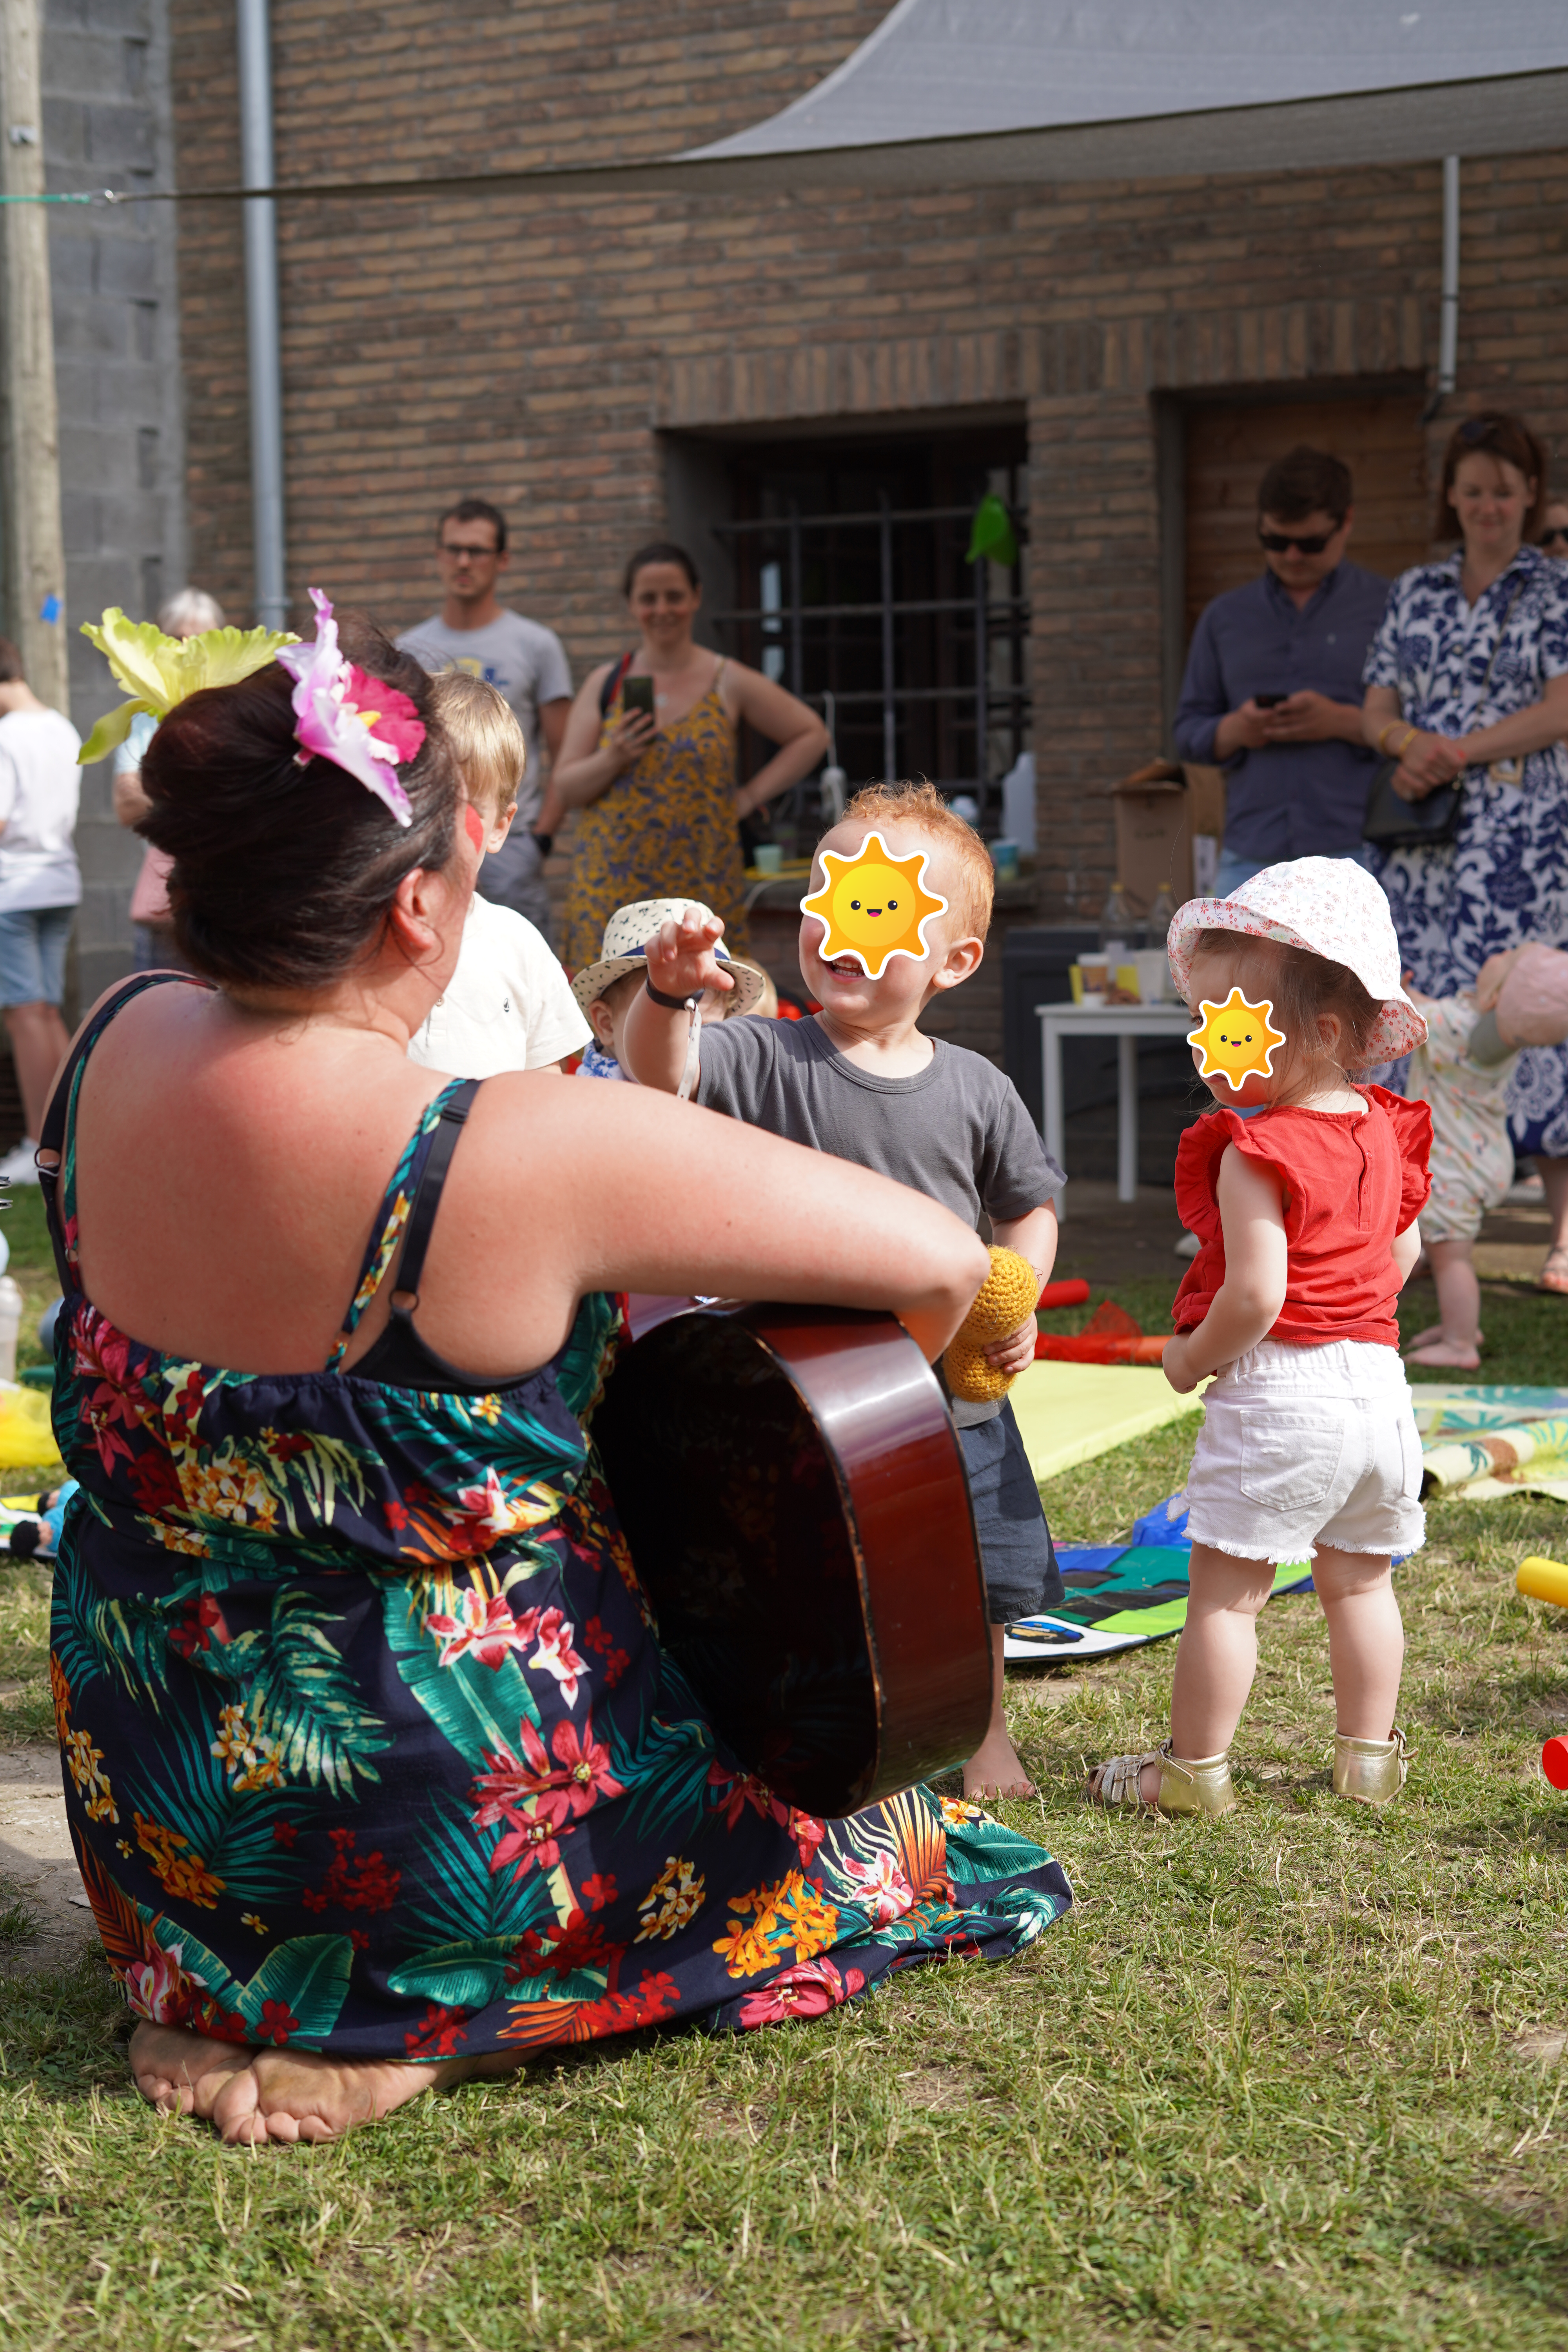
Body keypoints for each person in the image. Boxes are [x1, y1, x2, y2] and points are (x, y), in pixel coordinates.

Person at [46, 597, 1069, 2148]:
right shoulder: (499, 1149)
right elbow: (938, 1262)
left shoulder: (114, 1038)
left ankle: (212, 1973)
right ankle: (436, 2001)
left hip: (159, 1787)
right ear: (415, 913)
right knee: (894, 1846)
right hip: (430, 1820)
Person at [621, 781, 1067, 1802]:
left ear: (954, 959)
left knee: (969, 1585)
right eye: (830, 897)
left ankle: (983, 1736)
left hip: (948, 1397)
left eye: (881, 908)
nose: (841, 929)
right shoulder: (764, 1052)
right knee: (805, 1582)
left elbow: (1029, 1207)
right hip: (796, 1399)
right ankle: (796, 1738)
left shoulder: (977, 1089)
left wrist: (1020, 1297)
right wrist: (671, 997)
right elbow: (660, 1076)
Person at [1089, 860, 1431, 1817]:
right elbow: (1400, 1251)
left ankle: (1192, 1771)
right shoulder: (1383, 1133)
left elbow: (1255, 1292)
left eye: (1232, 1025)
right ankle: (1367, 1760)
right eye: (1206, 1023)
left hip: (1284, 1395)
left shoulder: (1257, 1149)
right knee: (1361, 1588)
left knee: (1226, 1597)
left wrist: (1192, 1357)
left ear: (1321, 1032)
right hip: (1380, 1395)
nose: (1209, 1046)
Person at [1361, 410, 1568, 1294]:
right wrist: (1406, 743)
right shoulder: (1411, 590)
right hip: (1422, 850)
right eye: (1473, 489)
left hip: (1524, 845)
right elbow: (1373, 709)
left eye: (1505, 491)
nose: (1488, 505)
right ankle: (1405, 1232)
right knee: (1412, 1021)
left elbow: (1564, 706)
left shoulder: (1555, 590)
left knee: (1533, 1017)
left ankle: (1562, 1235)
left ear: (1531, 498)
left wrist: (1458, 749)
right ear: (1452, 494)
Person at [553, 542, 828, 973]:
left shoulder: (727, 679)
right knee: (609, 1012)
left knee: (705, 1007)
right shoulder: (607, 682)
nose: (662, 609)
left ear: (696, 597)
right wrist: (615, 756)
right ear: (631, 605)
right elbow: (567, 787)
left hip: (702, 880)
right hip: (611, 885)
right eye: (648, 598)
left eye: (674, 596)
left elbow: (811, 734)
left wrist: (750, 795)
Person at [1174, 445, 1389, 895]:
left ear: (1345, 522)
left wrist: (1344, 722)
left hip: (1359, 851)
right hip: (1250, 855)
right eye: (1274, 541)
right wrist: (1234, 730)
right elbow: (1187, 731)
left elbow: (1425, 729)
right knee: (1225, 969)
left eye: (1310, 543)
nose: (1292, 556)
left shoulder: (1389, 607)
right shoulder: (1224, 617)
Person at [397, 498, 573, 943]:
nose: (463, 561)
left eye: (476, 551)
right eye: (453, 549)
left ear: (502, 560)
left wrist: (541, 840)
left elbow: (564, 752)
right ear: (438, 555)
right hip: (427, 842)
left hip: (509, 847)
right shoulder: (408, 649)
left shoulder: (536, 645)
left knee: (518, 975)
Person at [405, 672, 590, 1077]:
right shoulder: (357, 942)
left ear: (499, 828)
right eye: (422, 802)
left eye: (463, 808)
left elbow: (544, 1091)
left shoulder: (519, 945)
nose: (438, 829)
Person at [1398, 983, 1517, 1370]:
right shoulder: (1498, 1028)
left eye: (1508, 960)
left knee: (1452, 1260)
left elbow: (1414, 1014)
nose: (1499, 953)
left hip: (1455, 1168)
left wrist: (1401, 990)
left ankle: (1460, 1342)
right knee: (1447, 1252)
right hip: (1483, 1154)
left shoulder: (1458, 1022)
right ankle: (1459, 1324)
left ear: (1499, 992)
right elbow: (1436, 1012)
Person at [0, 636, 83, 1184]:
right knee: (46, 1012)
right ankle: (70, 1134)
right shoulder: (61, 726)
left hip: (13, 887)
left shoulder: (6, 736)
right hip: (60, 880)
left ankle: (39, 1149)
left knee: (26, 1014)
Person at [112, 588, 227, 974]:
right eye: (176, 639)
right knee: (162, 1002)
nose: (186, 648)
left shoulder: (235, 705)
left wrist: (159, 793)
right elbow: (126, 804)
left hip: (228, 889)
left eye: (199, 639)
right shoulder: (145, 714)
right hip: (166, 889)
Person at [571, 897, 767, 1080]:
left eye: (702, 1032)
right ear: (607, 1024)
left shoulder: (719, 1084)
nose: (683, 1053)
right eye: (662, 1026)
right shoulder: (595, 1104)